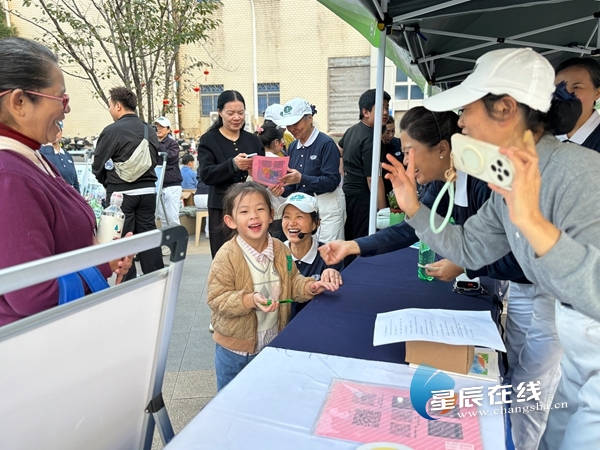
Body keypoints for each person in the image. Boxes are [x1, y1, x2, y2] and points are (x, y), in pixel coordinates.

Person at [381, 48, 599, 450]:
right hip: (572, 337)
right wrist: (413, 208)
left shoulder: (581, 173)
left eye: (467, 108)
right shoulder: (511, 177)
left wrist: (533, 223)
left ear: (506, 109)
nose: (461, 122)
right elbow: (470, 248)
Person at [0, 37, 131, 326]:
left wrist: (105, 253)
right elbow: (32, 294)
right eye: (62, 99)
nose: (66, 110)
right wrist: (102, 264)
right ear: (19, 102)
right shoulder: (9, 176)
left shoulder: (31, 157)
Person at [206, 182, 338, 390]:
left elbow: (292, 281)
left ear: (270, 215)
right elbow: (217, 298)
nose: (253, 216)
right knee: (232, 399)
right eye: (244, 211)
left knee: (266, 395)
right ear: (231, 221)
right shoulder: (226, 255)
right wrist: (248, 300)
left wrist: (309, 287)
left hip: (272, 343)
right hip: (234, 350)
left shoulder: (281, 250)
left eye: (260, 209)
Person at [92, 86, 163, 281]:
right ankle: (156, 280)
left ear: (118, 106)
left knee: (123, 240)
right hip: (147, 192)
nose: (110, 109)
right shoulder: (149, 130)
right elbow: (153, 160)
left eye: (110, 105)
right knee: (148, 237)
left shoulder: (112, 130)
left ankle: (127, 283)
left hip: (121, 194)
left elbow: (98, 164)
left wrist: (108, 182)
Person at [197, 90, 264, 258]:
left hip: (251, 207)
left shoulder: (254, 140)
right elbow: (206, 174)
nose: (236, 117)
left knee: (252, 256)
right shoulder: (208, 140)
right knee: (224, 257)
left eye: (240, 112)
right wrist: (233, 165)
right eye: (230, 113)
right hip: (222, 208)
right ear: (220, 112)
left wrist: (255, 172)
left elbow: (263, 175)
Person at [273, 97, 345, 243]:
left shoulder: (326, 144)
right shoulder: (293, 147)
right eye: (288, 125)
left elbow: (332, 181)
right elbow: (293, 184)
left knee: (328, 249)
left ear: (310, 119)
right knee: (306, 248)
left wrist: (301, 178)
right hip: (303, 206)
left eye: (296, 123)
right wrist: (282, 190)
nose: (292, 128)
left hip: (327, 205)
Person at [278, 192, 343, 319]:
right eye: (286, 217)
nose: (291, 223)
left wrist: (333, 275)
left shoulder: (329, 256)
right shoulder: (274, 254)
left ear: (315, 223)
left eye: (299, 216)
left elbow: (336, 300)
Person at [339, 89, 390, 248]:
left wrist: (344, 172)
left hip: (347, 195)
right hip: (363, 199)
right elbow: (373, 178)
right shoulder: (372, 138)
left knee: (350, 241)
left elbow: (339, 151)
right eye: (380, 107)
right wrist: (383, 211)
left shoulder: (351, 130)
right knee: (363, 245)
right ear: (365, 112)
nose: (385, 112)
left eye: (387, 107)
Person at [554, 57, 600, 152]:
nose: (565, 94)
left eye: (576, 87)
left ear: (597, 93)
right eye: (559, 88)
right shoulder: (544, 137)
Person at [256, 120, 286, 241]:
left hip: (259, 212)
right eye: (281, 141)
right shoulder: (279, 162)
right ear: (275, 142)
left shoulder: (254, 159)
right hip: (277, 213)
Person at [154, 116, 183, 227]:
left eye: (162, 127)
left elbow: (170, 157)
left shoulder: (172, 143)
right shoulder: (153, 143)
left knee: (172, 217)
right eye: (157, 126)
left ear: (168, 129)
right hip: (158, 185)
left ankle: (177, 237)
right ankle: (167, 237)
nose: (159, 129)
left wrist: (159, 144)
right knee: (163, 217)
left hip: (172, 185)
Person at [39, 121, 80, 193]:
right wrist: (49, 146)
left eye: (56, 130)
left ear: (61, 132)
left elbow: (75, 181)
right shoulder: (41, 152)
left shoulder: (67, 155)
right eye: (50, 130)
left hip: (70, 195)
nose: (54, 133)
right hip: (54, 194)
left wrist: (79, 197)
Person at [381, 115, 402, 204]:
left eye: (393, 131)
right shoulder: (376, 147)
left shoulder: (399, 143)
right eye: (387, 132)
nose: (391, 135)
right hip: (382, 190)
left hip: (399, 189)